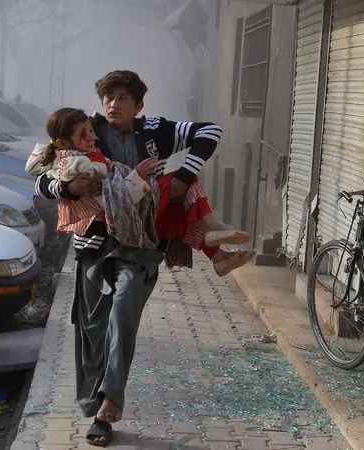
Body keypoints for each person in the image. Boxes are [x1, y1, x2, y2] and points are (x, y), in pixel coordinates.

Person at [33, 70, 252, 447]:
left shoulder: (155, 130)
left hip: (141, 245)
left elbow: (210, 131)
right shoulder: (86, 130)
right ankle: (95, 402)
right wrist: (66, 187)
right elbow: (40, 173)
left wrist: (183, 176)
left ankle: (109, 404)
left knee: (124, 313)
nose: (113, 104)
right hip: (94, 244)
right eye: (108, 97)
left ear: (139, 104)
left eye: (121, 97)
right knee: (93, 332)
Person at [29, 107, 254, 276]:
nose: (91, 137)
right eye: (83, 134)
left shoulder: (148, 132)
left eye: (90, 130)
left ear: (138, 105)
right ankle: (213, 229)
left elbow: (210, 129)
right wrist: (138, 175)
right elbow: (113, 200)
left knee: (179, 209)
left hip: (132, 213)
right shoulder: (80, 165)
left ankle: (219, 256)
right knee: (185, 179)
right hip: (113, 226)